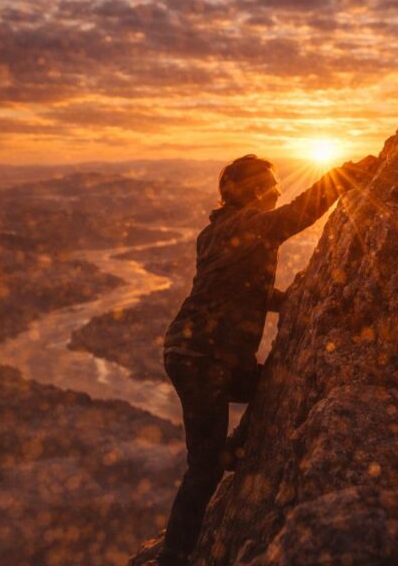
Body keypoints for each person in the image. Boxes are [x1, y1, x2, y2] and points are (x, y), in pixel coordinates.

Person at [155, 154, 376, 565]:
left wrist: (291, 300)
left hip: (196, 353)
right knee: (204, 467)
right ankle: (174, 556)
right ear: (255, 193)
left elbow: (235, 288)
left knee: (269, 389)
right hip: (206, 359)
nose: (277, 192)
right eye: (271, 186)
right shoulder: (250, 226)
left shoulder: (217, 233)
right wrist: (343, 175)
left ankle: (238, 454)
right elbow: (298, 215)